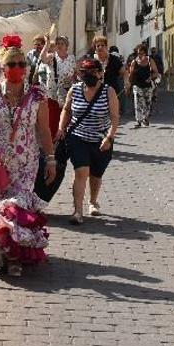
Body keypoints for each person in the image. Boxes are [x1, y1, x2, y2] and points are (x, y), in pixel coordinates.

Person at [0, 37, 55, 276]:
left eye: (21, 64)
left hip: (26, 163)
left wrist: (50, 159)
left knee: (15, 210)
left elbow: (44, 130)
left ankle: (15, 258)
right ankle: (1, 255)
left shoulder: (37, 96)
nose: (17, 68)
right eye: (12, 64)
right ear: (3, 67)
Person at [56, 56, 121, 223]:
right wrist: (61, 128)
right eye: (85, 72)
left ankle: (92, 201)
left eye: (93, 72)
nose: (89, 76)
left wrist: (109, 137)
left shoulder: (109, 91)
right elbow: (67, 110)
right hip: (77, 136)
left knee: (96, 174)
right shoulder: (75, 90)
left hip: (101, 139)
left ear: (100, 73)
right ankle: (77, 212)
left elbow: (114, 117)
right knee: (81, 171)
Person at [127, 46, 160, 128]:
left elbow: (156, 72)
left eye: (141, 53)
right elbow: (130, 75)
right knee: (137, 102)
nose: (139, 55)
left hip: (148, 85)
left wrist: (150, 78)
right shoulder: (134, 62)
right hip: (137, 85)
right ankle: (138, 120)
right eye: (138, 53)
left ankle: (145, 118)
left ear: (145, 53)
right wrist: (128, 84)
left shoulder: (150, 61)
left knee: (147, 103)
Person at [92, 37, 126, 101]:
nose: (100, 47)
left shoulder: (114, 59)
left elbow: (124, 72)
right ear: (95, 48)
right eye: (98, 46)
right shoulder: (92, 61)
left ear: (106, 47)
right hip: (96, 95)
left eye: (102, 45)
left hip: (112, 94)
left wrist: (126, 82)